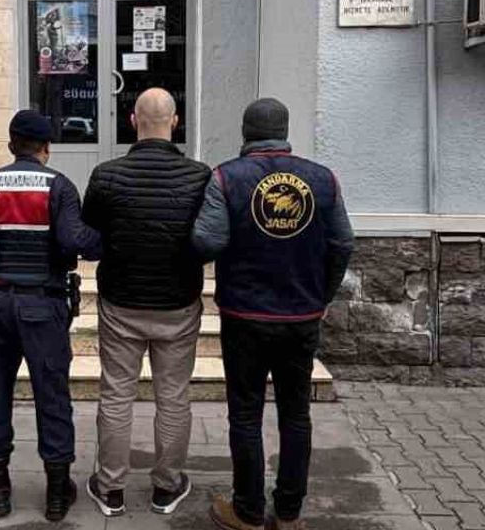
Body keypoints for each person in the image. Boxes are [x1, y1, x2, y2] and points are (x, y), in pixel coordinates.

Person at [191, 98, 354, 530]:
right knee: (295, 414)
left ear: (246, 132)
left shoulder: (226, 177)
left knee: (245, 413)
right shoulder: (323, 179)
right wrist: (322, 295)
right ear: (284, 131)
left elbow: (207, 242)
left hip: (244, 315)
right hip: (300, 316)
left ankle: (247, 511)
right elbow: (343, 243)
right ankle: (289, 513)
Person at [0, 109, 101, 522]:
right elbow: (74, 241)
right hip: (43, 307)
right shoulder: (59, 186)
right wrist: (105, 238)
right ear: (46, 147)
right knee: (52, 396)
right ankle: (56, 496)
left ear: (12, 145)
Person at [81, 88, 211, 517]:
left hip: (121, 302)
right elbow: (208, 238)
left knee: (116, 394)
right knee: (173, 396)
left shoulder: (106, 176)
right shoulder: (199, 176)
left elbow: (91, 237)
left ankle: (110, 487)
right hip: (178, 303)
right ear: (175, 122)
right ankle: (166, 487)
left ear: (133, 121)